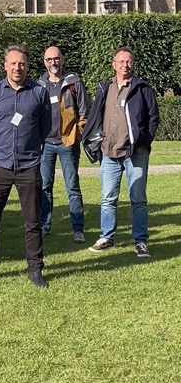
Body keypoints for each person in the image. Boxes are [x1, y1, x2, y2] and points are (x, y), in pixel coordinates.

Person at [0, 46, 51, 287]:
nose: (17, 68)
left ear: (28, 66)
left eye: (21, 64)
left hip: (28, 165)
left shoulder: (39, 94)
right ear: (4, 65)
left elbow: (45, 126)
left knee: (32, 221)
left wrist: (31, 147)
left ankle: (35, 268)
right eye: (13, 63)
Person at [84, 48, 159, 259]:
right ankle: (106, 237)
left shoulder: (142, 87)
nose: (125, 65)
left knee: (138, 199)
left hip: (135, 152)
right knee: (108, 198)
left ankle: (141, 241)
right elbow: (95, 115)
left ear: (132, 64)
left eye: (128, 62)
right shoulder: (104, 88)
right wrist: (95, 142)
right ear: (113, 64)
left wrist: (144, 142)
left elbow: (153, 116)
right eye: (121, 61)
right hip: (108, 152)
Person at [38, 46, 88, 242]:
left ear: (62, 60)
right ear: (44, 62)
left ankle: (78, 229)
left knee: (72, 187)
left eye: (56, 59)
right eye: (49, 59)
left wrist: (76, 136)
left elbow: (84, 113)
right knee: (44, 187)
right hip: (45, 145)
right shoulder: (39, 85)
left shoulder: (74, 83)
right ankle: (44, 225)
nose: (53, 63)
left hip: (67, 143)